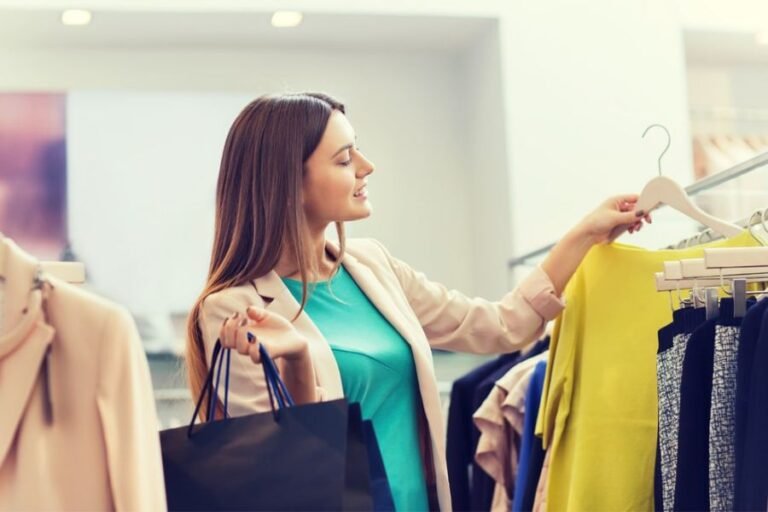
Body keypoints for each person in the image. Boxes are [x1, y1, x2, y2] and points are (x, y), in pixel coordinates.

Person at [186, 92, 650, 511]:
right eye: (345, 159)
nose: (367, 167)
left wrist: (586, 233)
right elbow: (285, 471)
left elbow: (500, 326)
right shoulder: (233, 308)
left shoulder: (373, 268)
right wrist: (298, 358)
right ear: (290, 181)